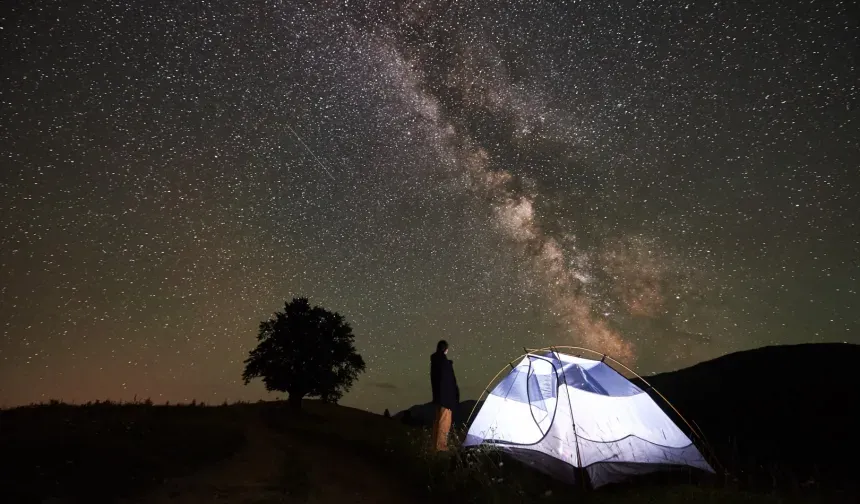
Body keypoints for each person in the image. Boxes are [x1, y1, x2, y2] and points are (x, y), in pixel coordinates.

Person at [430, 339, 459, 452]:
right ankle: (441, 447)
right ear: (446, 350)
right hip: (446, 399)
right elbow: (449, 382)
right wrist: (453, 398)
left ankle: (435, 446)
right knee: (444, 422)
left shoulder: (435, 361)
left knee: (438, 421)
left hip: (438, 397)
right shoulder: (444, 363)